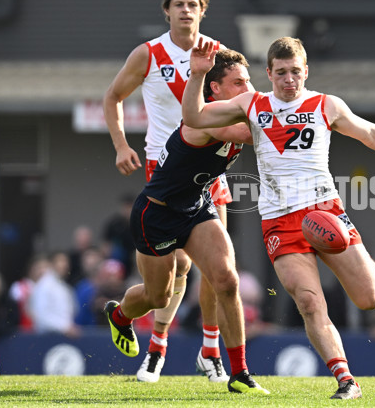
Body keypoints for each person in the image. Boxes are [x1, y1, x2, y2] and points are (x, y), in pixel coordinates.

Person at [181, 37, 375, 399]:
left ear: (305, 71)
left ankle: (364, 261)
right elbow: (194, 117)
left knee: (370, 298)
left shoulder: (326, 104)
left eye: (295, 72)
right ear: (269, 74)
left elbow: (370, 133)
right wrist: (197, 75)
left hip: (325, 211)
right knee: (308, 302)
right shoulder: (252, 104)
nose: (288, 79)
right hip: (279, 221)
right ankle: (345, 380)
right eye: (280, 73)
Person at [103, 47, 269, 395]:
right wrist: (300, 111)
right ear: (216, 90)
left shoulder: (243, 113)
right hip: (156, 215)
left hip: (197, 207)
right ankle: (120, 316)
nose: (249, 89)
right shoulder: (213, 118)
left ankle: (239, 373)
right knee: (158, 298)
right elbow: (253, 133)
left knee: (226, 280)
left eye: (250, 81)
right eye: (238, 83)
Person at [102, 0, 232, 383]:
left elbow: (240, 101)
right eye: (179, 4)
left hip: (209, 166)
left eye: (193, 4)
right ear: (167, 11)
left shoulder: (217, 52)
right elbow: (112, 98)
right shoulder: (149, 54)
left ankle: (210, 351)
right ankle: (153, 343)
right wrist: (122, 145)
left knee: (218, 267)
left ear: (203, 11)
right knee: (175, 269)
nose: (186, 10)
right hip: (165, 167)